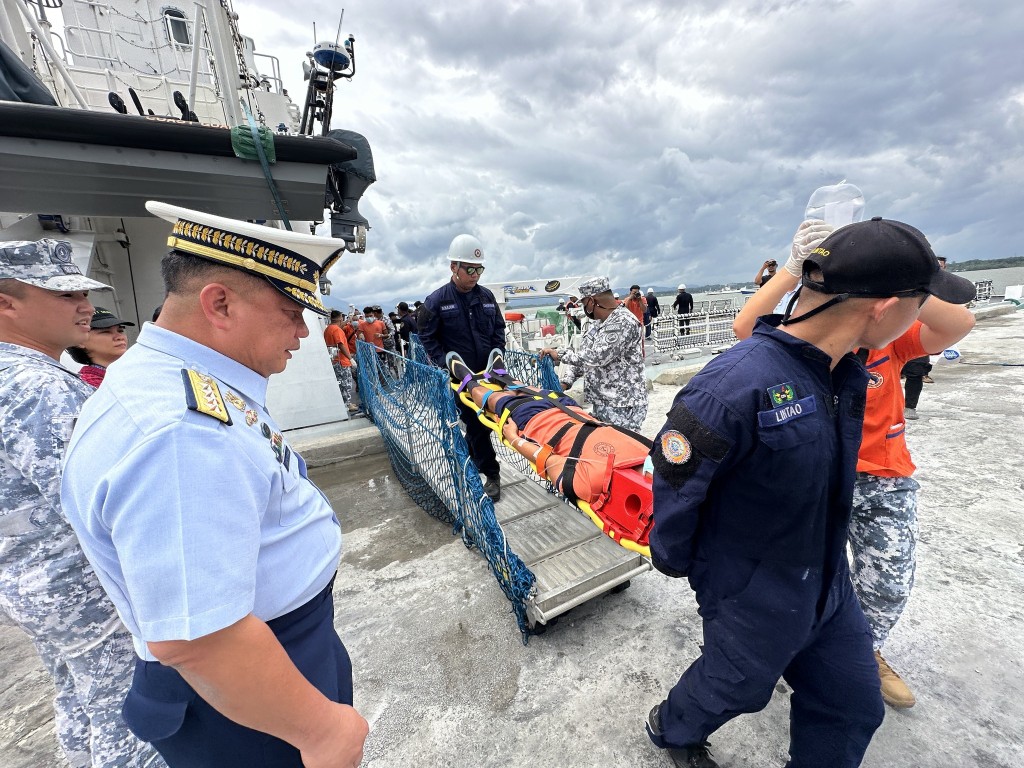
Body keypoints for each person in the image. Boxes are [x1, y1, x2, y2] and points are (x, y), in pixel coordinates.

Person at [646, 217, 977, 768]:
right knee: (737, 686)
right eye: (920, 303)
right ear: (884, 307)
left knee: (852, 705)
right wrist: (706, 575)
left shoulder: (840, 371)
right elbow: (676, 486)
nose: (920, 319)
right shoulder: (736, 384)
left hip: (826, 580)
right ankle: (673, 727)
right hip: (754, 586)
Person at [60, 202, 369, 767]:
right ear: (219, 303)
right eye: (289, 309)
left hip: (269, 664)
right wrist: (322, 729)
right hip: (246, 699)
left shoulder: (176, 381)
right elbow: (198, 638)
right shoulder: (180, 432)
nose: (303, 331)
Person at [735, 224, 977, 715]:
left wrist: (903, 280)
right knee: (802, 572)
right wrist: (794, 266)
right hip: (818, 470)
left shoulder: (894, 337)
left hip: (883, 474)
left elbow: (957, 326)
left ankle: (863, 651)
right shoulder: (809, 338)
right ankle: (800, 647)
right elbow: (747, 330)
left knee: (888, 578)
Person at [0, 239, 161, 768]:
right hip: (82, 586)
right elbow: (102, 503)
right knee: (130, 716)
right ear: (6, 303)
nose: (85, 306)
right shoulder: (35, 386)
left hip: (33, 581)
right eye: (65, 292)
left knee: (78, 699)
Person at [446, 349, 652, 527]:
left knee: (531, 392)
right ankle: (473, 382)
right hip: (538, 421)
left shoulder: (648, 451)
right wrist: (515, 439)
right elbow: (545, 459)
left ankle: (500, 376)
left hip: (568, 409)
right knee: (495, 399)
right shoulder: (593, 482)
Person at [417, 233, 506, 500]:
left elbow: (498, 329)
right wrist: (446, 363)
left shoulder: (487, 297)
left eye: (480, 269)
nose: (475, 274)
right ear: (453, 267)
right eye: (470, 269)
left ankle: (470, 460)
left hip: (489, 373)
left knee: (487, 422)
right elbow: (427, 337)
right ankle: (491, 473)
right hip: (462, 378)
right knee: (476, 423)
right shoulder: (436, 301)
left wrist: (497, 355)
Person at [539, 277, 647, 431]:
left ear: (591, 301)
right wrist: (565, 382)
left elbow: (598, 357)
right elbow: (584, 356)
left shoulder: (624, 322)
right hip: (603, 402)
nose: (584, 308)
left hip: (623, 404)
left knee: (621, 450)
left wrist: (560, 354)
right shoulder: (598, 324)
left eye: (583, 303)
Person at [901, 256, 947, 414]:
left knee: (916, 371)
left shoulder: (940, 290)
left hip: (918, 332)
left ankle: (910, 406)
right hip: (893, 332)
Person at [66, 306, 136, 387]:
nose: (119, 337)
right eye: (106, 331)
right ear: (80, 341)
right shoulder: (87, 385)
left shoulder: (132, 373)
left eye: (120, 331)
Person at [324, 309, 359, 415]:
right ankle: (347, 404)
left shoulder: (328, 329)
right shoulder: (337, 330)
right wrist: (350, 358)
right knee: (346, 383)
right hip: (341, 361)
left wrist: (348, 319)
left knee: (340, 383)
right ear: (340, 317)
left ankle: (343, 403)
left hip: (334, 360)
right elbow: (340, 344)